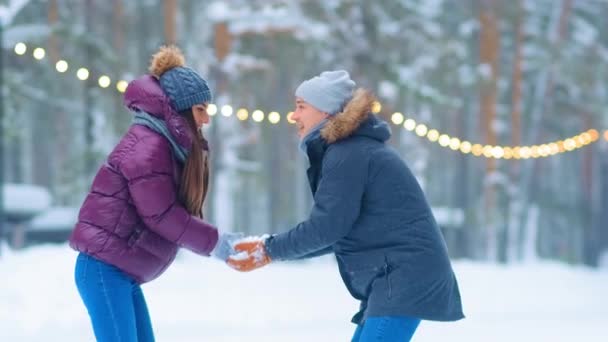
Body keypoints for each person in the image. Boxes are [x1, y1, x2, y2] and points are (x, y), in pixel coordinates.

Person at [227, 70, 464, 341]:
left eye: (301, 107)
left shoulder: (348, 154)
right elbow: (337, 232)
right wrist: (270, 250)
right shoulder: (350, 151)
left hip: (402, 277)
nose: (294, 116)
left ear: (326, 112)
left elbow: (325, 229)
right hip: (394, 277)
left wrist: (269, 249)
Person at [69, 46, 240, 342]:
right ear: (181, 109)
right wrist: (217, 243)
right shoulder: (147, 148)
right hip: (103, 270)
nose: (206, 120)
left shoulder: (163, 144)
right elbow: (161, 215)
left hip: (118, 272)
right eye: (201, 110)